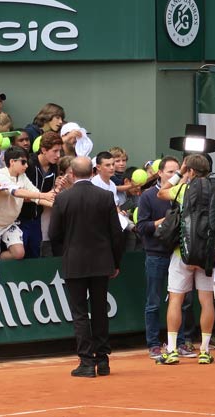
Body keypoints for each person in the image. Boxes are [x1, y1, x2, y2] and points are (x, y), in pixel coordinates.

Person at [48, 156, 123, 377]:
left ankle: (87, 362)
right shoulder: (106, 196)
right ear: (92, 172)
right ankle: (103, 360)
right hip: (101, 262)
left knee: (80, 313)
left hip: (75, 261)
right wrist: (115, 262)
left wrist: (68, 250)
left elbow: (54, 234)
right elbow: (115, 234)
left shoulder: (63, 199)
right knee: (100, 310)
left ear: (71, 174)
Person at [155, 154, 215, 365]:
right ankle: (205, 351)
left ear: (190, 170)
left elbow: (161, 192)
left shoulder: (183, 190)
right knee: (206, 301)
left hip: (183, 253)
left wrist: (179, 173)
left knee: (175, 299)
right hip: (207, 255)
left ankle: (171, 350)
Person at [137, 156, 197, 359]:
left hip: (179, 255)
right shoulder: (147, 197)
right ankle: (154, 344)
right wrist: (164, 221)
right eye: (170, 171)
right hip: (156, 255)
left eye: (177, 171)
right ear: (160, 173)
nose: (174, 175)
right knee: (153, 302)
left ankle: (179, 342)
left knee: (180, 301)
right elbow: (142, 227)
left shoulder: (184, 193)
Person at [0, 146, 54, 262]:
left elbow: (35, 194)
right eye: (23, 162)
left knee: (19, 254)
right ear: (12, 162)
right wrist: (44, 195)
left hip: (10, 223)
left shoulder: (22, 176)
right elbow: (16, 192)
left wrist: (54, 204)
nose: (26, 165)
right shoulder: (0, 175)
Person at [17, 131, 62, 258]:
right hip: (20, 219)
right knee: (21, 254)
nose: (58, 155)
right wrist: (44, 198)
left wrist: (57, 188)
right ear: (43, 150)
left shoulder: (54, 168)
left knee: (35, 254)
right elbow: (21, 196)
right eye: (55, 151)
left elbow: (50, 194)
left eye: (60, 151)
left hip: (37, 220)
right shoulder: (28, 164)